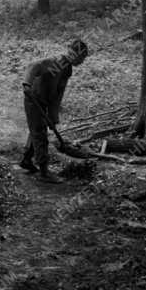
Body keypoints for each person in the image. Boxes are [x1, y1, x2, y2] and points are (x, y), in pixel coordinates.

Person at [20, 39, 89, 183]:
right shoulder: (57, 62)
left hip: (44, 102)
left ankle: (26, 159)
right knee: (40, 134)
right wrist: (27, 83)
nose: (82, 62)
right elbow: (34, 66)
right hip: (33, 100)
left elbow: (58, 94)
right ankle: (44, 172)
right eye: (81, 58)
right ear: (73, 53)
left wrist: (53, 117)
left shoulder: (67, 69)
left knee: (38, 131)